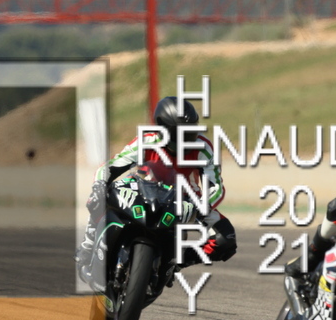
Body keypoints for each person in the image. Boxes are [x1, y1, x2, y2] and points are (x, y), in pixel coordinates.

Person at [75, 97, 237, 283]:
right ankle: (87, 247)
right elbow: (111, 167)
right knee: (98, 197)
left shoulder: (204, 147)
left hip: (185, 197)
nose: (185, 140)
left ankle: (176, 263)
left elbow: (215, 187)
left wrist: (201, 205)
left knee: (226, 239)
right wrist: (99, 185)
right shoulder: (147, 139)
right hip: (142, 187)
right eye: (179, 134)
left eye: (190, 131)